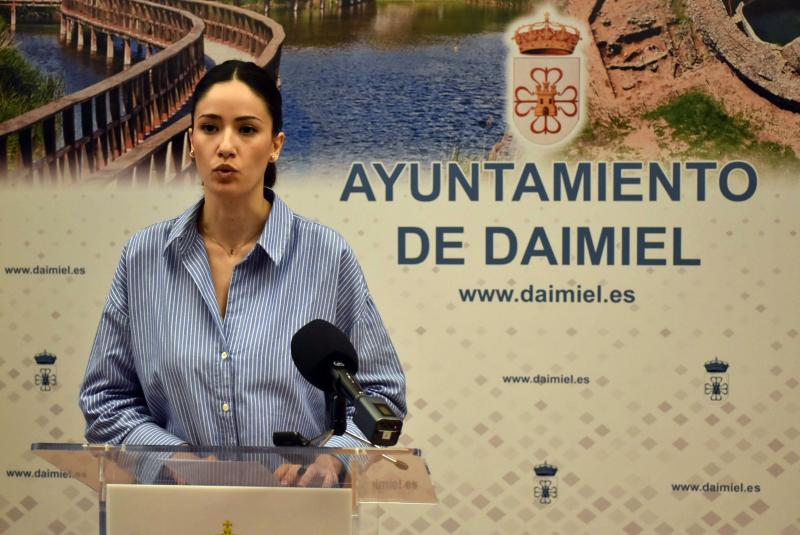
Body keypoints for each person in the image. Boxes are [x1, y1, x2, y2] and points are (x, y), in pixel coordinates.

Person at [79, 60, 406, 487]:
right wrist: (172, 458)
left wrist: (334, 460)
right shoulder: (144, 258)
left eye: (247, 129)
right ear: (191, 141)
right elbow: (106, 400)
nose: (226, 146)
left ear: (276, 144)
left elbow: (381, 396)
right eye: (210, 127)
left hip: (296, 514)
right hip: (175, 514)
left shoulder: (328, 257)